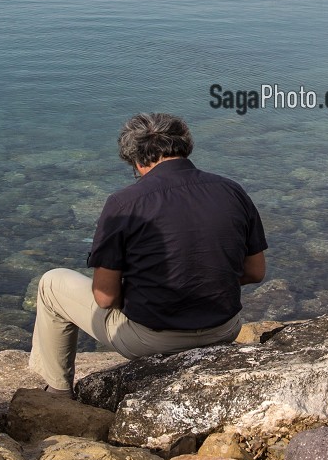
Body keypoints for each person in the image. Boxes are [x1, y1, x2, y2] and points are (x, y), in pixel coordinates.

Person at [30, 113, 266, 396]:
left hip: (152, 341)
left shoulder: (124, 203)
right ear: (185, 146)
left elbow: (105, 298)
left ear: (137, 161)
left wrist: (147, 289)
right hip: (223, 329)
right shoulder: (232, 190)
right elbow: (255, 272)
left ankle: (57, 393)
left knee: (51, 284)